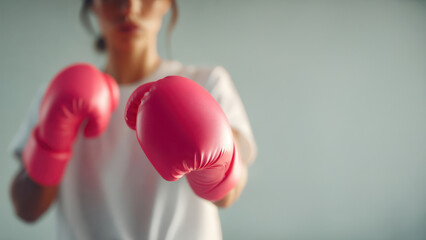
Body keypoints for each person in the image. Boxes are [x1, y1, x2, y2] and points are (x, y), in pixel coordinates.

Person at [9, 0, 257, 239]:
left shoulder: (207, 82)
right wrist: (51, 143)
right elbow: (26, 208)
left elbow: (229, 194)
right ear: (92, 4)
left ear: (167, 3)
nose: (129, 5)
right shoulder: (56, 94)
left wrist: (215, 162)